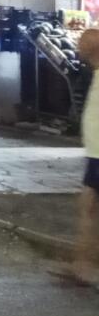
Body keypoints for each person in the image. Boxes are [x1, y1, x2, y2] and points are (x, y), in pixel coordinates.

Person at [65, 28, 99, 285]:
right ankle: (82, 263)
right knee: (88, 207)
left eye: (82, 45)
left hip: (98, 155)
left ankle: (83, 264)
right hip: (94, 155)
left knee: (88, 207)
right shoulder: (95, 72)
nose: (78, 49)